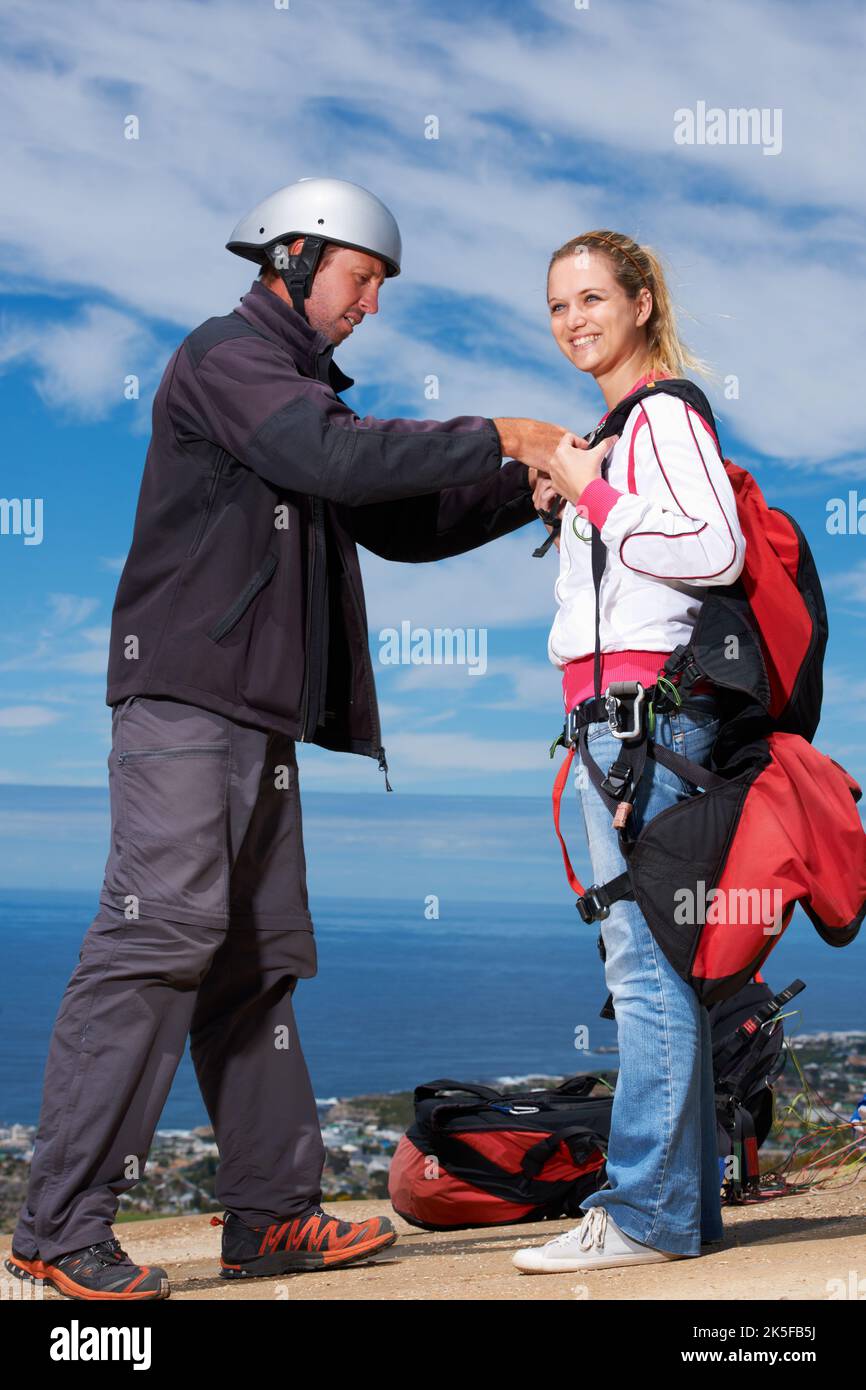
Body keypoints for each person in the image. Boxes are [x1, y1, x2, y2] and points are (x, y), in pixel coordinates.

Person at [6, 179, 612, 1301]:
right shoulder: (227, 360)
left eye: (378, 288)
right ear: (294, 256)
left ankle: (271, 1218)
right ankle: (56, 1227)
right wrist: (504, 430)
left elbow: (392, 518)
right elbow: (339, 459)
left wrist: (520, 490)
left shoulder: (301, 398)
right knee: (156, 941)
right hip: (186, 706)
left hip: (257, 718)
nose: (371, 304)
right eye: (361, 279)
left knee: (255, 966)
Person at [513, 230, 746, 1273]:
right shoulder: (623, 430)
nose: (573, 320)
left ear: (642, 302)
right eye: (558, 305)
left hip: (638, 727)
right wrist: (579, 499)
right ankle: (678, 1213)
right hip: (619, 725)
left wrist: (593, 491)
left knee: (645, 973)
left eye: (593, 298)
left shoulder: (659, 412)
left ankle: (642, 1213)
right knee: (659, 971)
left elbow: (712, 546)